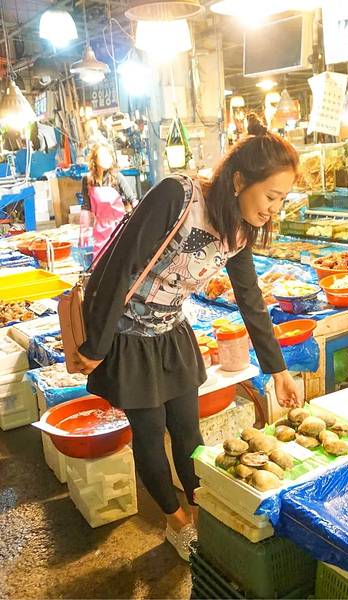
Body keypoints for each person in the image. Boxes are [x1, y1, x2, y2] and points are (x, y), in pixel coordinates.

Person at [72, 114, 302, 560]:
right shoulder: (177, 195)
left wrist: (278, 371)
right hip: (127, 334)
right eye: (271, 196)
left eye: (282, 200)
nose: (273, 209)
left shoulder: (239, 230)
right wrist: (96, 346)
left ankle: (200, 508)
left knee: (187, 430)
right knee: (148, 433)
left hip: (171, 331)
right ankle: (175, 520)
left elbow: (250, 298)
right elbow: (120, 267)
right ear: (239, 181)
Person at [80, 143, 137, 259]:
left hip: (119, 228)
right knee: (100, 260)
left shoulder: (117, 177)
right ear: (95, 159)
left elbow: (132, 199)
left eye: (109, 155)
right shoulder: (87, 180)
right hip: (100, 230)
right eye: (103, 155)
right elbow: (86, 207)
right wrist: (83, 231)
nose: (107, 158)